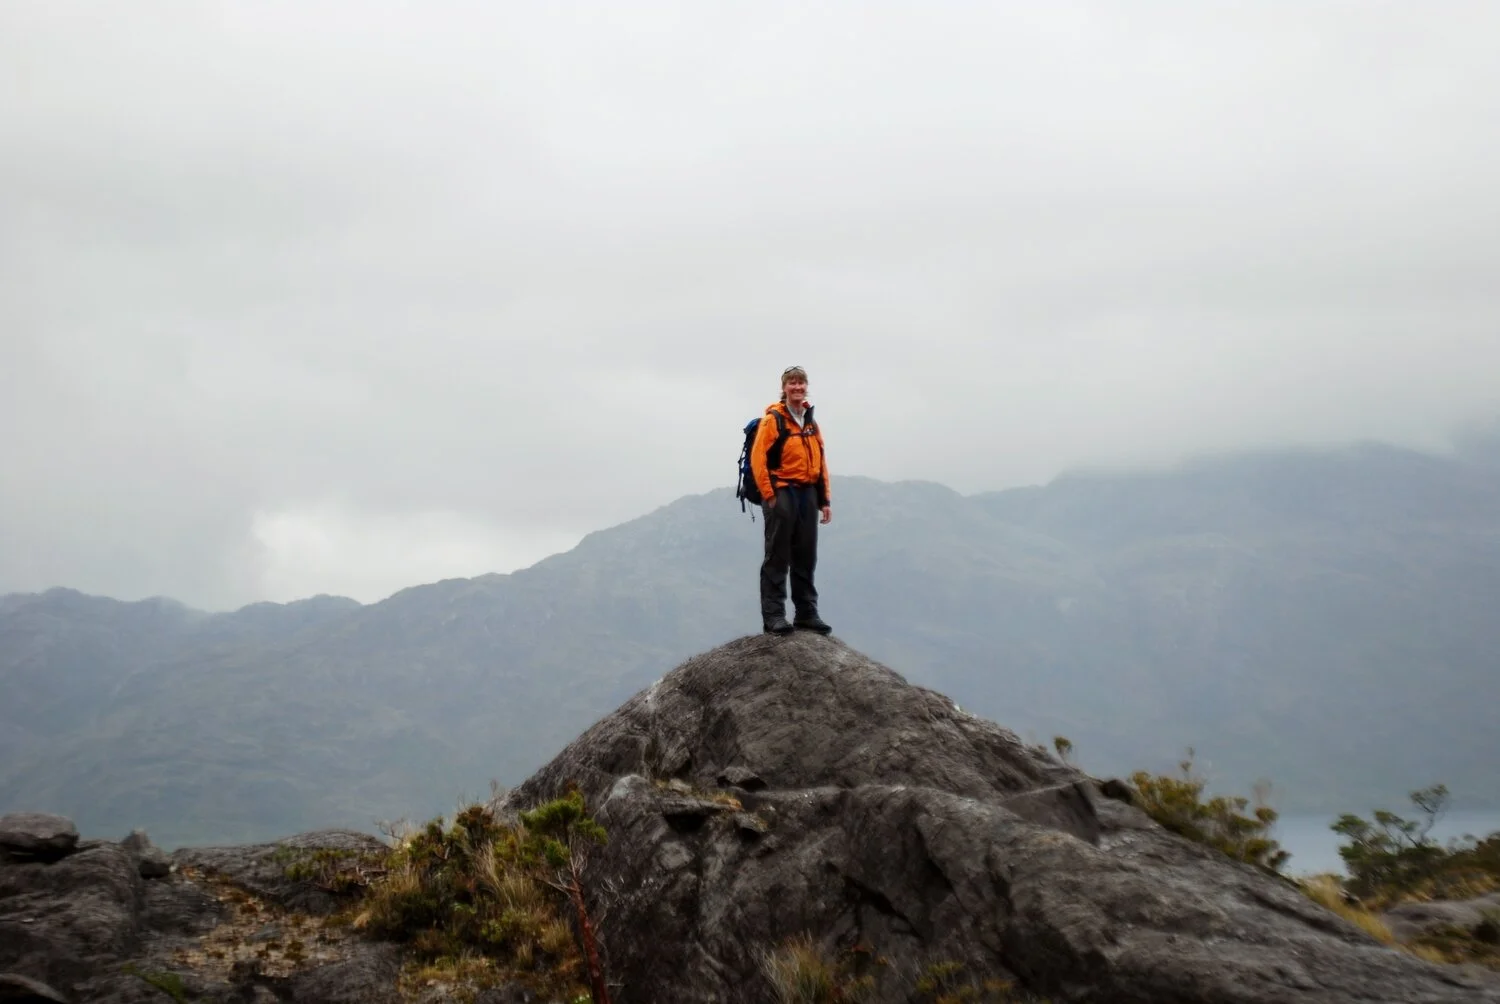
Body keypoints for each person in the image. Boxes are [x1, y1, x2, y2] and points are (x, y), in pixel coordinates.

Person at [750, 365, 833, 635]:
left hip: (807, 492)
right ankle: (774, 615)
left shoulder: (810, 421)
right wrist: (769, 494)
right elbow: (758, 459)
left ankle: (807, 613)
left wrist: (825, 500)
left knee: (806, 555)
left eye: (801, 383)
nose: (797, 387)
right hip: (781, 490)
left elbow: (820, 460)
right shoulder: (773, 420)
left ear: (805, 386)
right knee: (778, 554)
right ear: (784, 388)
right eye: (792, 383)